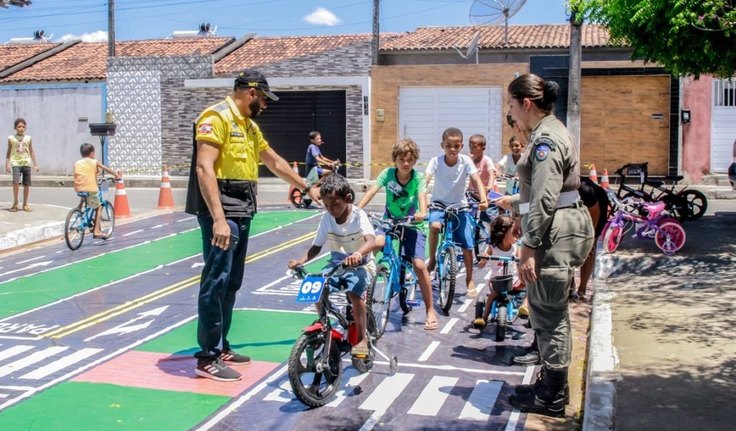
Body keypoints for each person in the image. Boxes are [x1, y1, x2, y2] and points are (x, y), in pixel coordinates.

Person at [185, 69, 320, 382]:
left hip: (243, 208)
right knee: (216, 279)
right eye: (263, 98)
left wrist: (306, 186)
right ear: (250, 91)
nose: (265, 104)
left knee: (231, 282)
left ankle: (222, 346)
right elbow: (204, 168)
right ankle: (208, 356)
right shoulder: (215, 117)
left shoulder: (248, 126)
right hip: (223, 210)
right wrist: (218, 218)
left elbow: (274, 161)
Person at [495, 74, 594, 417]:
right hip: (561, 226)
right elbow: (536, 195)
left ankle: (551, 395)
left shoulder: (545, 140)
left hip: (555, 232)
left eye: (511, 104)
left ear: (526, 103)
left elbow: (545, 198)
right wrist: (522, 216)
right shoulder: (548, 131)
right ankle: (551, 385)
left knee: (549, 314)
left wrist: (529, 246)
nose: (509, 112)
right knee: (549, 309)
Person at [288, 173, 376, 357]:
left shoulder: (359, 215)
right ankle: (323, 323)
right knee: (316, 286)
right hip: (336, 264)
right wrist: (300, 261)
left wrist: (359, 253)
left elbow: (371, 240)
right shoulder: (327, 218)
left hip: (362, 265)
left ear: (348, 198)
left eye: (334, 204)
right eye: (326, 205)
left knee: (354, 294)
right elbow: (316, 247)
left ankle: (362, 338)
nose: (330, 209)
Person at [358, 138, 440, 330]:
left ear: (414, 161)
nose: (405, 163)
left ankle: (430, 310)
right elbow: (372, 191)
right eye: (401, 159)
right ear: (394, 159)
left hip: (413, 224)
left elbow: (422, 197)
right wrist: (357, 210)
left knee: (419, 265)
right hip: (389, 220)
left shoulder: (418, 178)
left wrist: (422, 212)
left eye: (409, 160)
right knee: (375, 243)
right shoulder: (387, 174)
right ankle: (363, 284)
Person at [425, 127, 488, 297]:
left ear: (461, 146)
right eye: (448, 145)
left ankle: (469, 279)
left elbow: (476, 180)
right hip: (438, 203)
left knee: (468, 245)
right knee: (435, 227)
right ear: (442, 145)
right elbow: (426, 180)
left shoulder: (466, 161)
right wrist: (420, 197)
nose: (452, 149)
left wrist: (483, 199)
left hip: (460, 205)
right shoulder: (435, 161)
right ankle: (432, 260)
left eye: (456, 145)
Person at [472, 215, 526, 328]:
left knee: (530, 285)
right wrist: (484, 258)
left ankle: (525, 307)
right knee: (493, 294)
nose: (517, 235)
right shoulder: (493, 248)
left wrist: (522, 266)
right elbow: (481, 265)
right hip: (496, 281)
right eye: (514, 232)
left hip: (512, 280)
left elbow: (519, 264)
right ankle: (483, 318)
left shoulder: (516, 247)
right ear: (504, 233)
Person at [570, 177, 610, 301]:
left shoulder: (588, 192)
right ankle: (571, 287)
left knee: (589, 248)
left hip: (595, 201)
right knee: (567, 246)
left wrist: (590, 239)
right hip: (576, 198)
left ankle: (582, 289)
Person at [73, 143, 122, 239]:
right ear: (91, 154)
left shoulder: (77, 163)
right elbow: (105, 168)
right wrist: (115, 175)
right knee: (98, 207)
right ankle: (96, 231)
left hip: (78, 188)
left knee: (85, 194)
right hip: (90, 189)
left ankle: (79, 207)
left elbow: (86, 175)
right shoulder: (94, 162)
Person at [5, 118, 39, 212]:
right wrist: (7, 164)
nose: (21, 128)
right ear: (15, 127)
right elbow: (8, 151)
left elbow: (31, 151)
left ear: (25, 128)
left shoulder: (28, 138)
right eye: (19, 126)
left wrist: (35, 164)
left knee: (26, 184)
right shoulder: (11, 138)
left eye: (23, 126)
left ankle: (25, 204)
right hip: (16, 163)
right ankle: (16, 202)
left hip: (26, 163)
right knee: (16, 182)